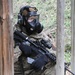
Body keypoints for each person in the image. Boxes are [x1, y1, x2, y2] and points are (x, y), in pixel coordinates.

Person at [14, 5, 56, 75]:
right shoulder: (14, 35)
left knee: (57, 67)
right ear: (22, 20)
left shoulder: (40, 34)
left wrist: (45, 58)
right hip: (21, 71)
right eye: (31, 19)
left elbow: (56, 50)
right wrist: (19, 48)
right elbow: (7, 61)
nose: (35, 22)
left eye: (36, 18)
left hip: (37, 70)